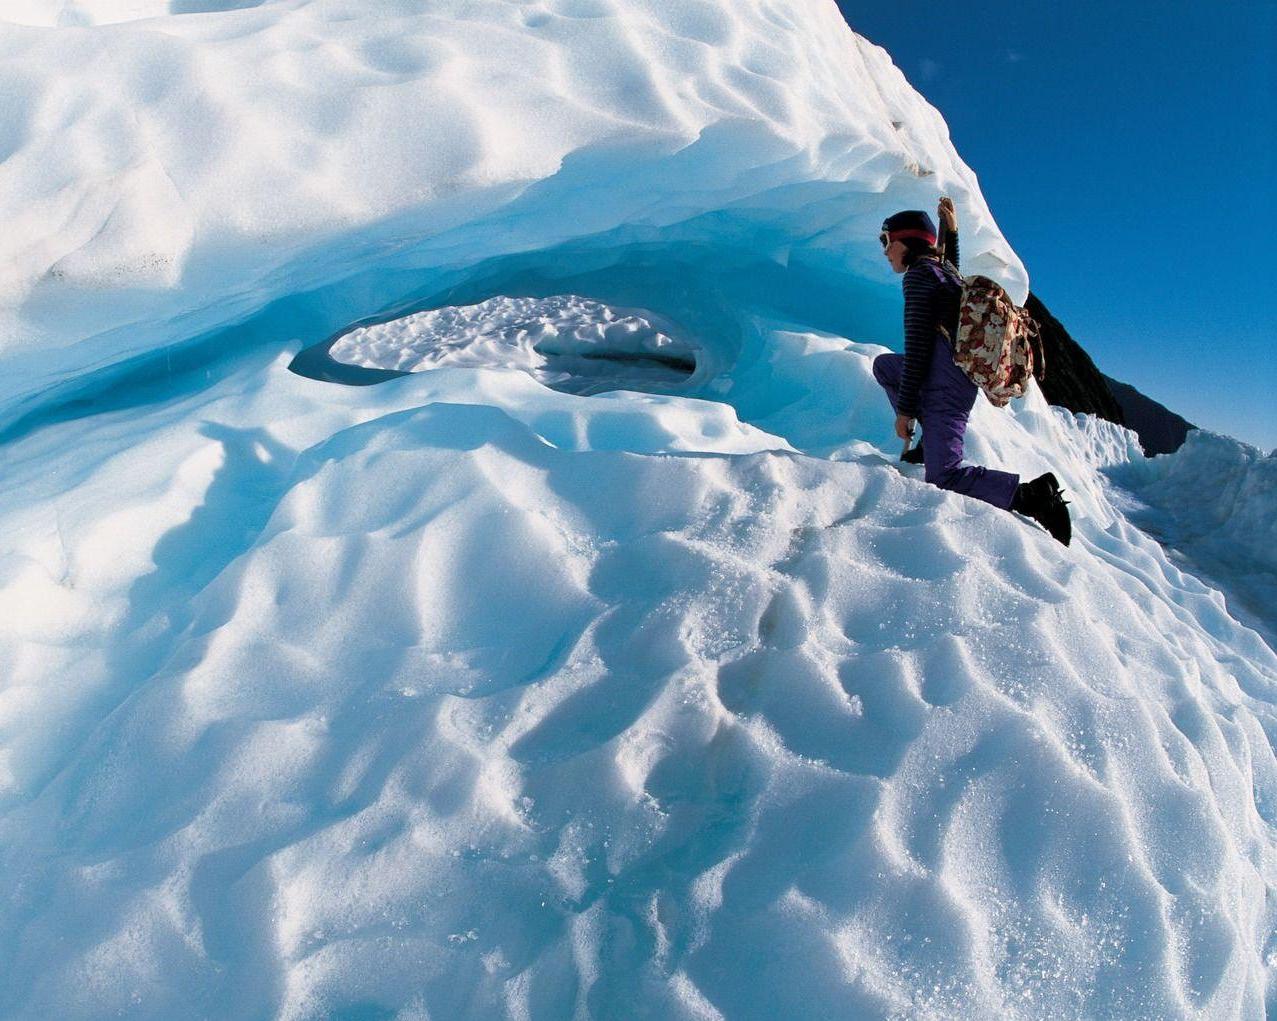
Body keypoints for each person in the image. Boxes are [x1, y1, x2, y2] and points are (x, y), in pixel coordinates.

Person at [871, 199, 1072, 545]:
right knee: (885, 366)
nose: (886, 251)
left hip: (945, 383)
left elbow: (918, 347)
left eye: (887, 241)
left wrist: (905, 412)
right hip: (949, 372)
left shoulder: (919, 277)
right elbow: (951, 266)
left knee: (945, 475)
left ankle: (1033, 497)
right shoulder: (941, 272)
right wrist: (951, 231)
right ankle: (927, 444)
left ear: (907, 242)